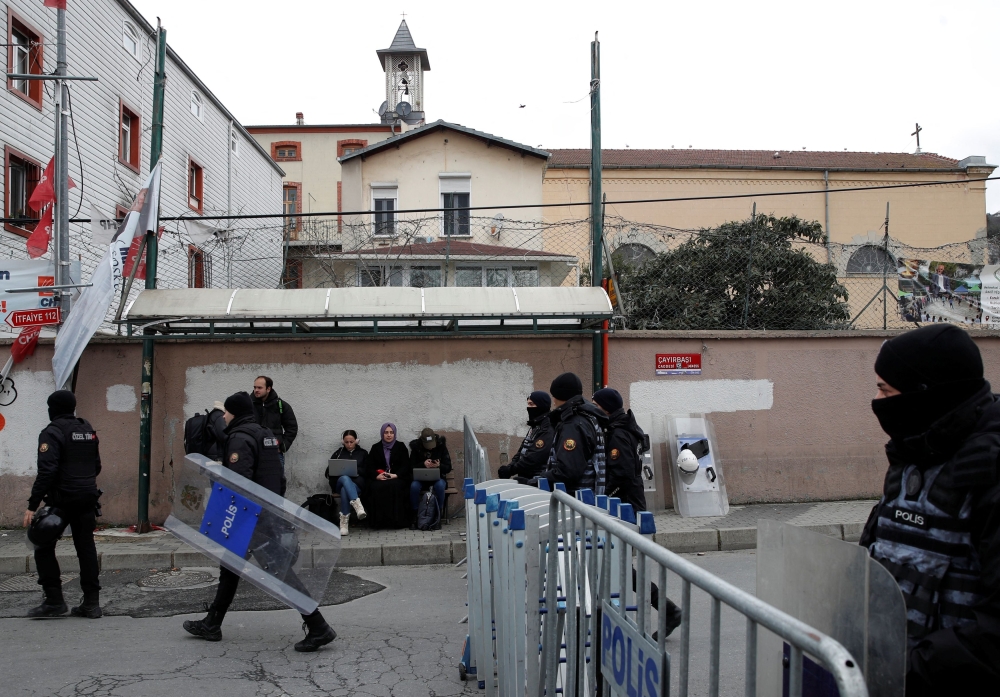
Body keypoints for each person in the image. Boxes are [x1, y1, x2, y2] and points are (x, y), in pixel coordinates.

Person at [859, 325, 1000, 695]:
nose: (877, 400)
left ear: (927, 395)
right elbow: (874, 562)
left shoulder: (989, 468)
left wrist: (909, 669)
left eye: (885, 390)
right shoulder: (914, 454)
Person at [183, 391, 336, 652]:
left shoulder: (240, 439)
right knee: (230, 567)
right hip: (265, 512)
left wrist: (219, 486)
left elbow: (239, 485)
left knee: (280, 571)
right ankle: (212, 623)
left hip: (250, 516)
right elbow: (278, 476)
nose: (225, 417)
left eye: (227, 413)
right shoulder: (265, 435)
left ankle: (319, 626)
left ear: (236, 413)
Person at [23, 390, 102, 619]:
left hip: (63, 499)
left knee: (43, 542)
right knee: (86, 547)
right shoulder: (86, 429)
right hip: (87, 496)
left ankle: (54, 600)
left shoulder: (52, 432)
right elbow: (96, 465)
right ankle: (91, 603)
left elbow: (47, 472)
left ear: (52, 409)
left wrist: (32, 505)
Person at [537, 372, 607, 496]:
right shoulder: (588, 417)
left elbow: (568, 470)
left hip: (574, 501)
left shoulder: (574, 424)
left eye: (554, 396)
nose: (553, 402)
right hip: (586, 499)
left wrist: (536, 481)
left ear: (561, 396)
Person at [592, 388, 647, 512]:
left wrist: (605, 496)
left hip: (625, 501)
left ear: (607, 408)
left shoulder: (618, 434)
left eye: (596, 405)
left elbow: (622, 473)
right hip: (632, 496)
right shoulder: (626, 427)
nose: (593, 409)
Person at [362, 423, 412, 529]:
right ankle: (379, 523)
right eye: (386, 432)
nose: (389, 435)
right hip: (380, 478)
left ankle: (396, 522)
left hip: (396, 478)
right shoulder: (376, 448)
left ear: (394, 434)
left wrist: (396, 475)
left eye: (391, 432)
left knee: (396, 486)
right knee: (375, 487)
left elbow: (406, 465)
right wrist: (377, 476)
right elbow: (369, 466)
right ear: (382, 434)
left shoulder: (401, 446)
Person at [498, 391, 555, 482]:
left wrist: (511, 470)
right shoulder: (535, 426)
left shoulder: (547, 429)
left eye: (531, 404)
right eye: (528, 404)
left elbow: (534, 457)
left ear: (541, 405)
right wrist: (510, 466)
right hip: (526, 478)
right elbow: (522, 451)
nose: (529, 408)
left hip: (538, 481)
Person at [408, 428, 452, 529]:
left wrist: (439, 466)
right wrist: (423, 464)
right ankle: (415, 515)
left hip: (438, 478)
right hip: (421, 479)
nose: (430, 448)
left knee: (440, 486)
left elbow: (448, 467)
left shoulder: (441, 447)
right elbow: (411, 467)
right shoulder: (416, 448)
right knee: (414, 486)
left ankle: (438, 514)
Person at [252, 375, 298, 468]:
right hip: (253, 453)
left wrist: (283, 446)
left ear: (268, 389)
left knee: (276, 481)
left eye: (260, 387)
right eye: (255, 387)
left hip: (274, 454)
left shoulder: (281, 405)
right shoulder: (248, 405)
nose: (256, 390)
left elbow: (292, 427)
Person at [328, 430, 367, 535]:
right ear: (342, 442)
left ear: (356, 441)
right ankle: (357, 505)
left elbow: (367, 471)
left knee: (345, 489)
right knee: (345, 478)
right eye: (346, 442)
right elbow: (328, 471)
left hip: (357, 484)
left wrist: (355, 470)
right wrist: (337, 470)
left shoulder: (363, 453)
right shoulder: (338, 453)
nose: (349, 444)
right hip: (339, 481)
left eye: (352, 442)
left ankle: (344, 523)